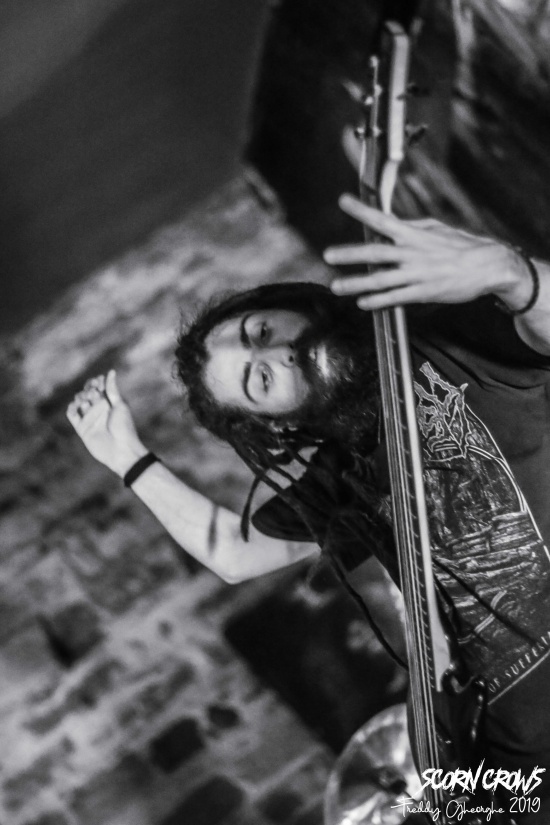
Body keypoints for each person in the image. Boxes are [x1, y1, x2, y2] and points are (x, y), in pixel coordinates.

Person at [68, 194, 550, 821]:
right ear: (278, 421)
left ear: (291, 306)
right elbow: (231, 551)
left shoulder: (436, 340)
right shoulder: (338, 483)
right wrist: (128, 458)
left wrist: (514, 276)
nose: (277, 356)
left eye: (261, 334)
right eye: (260, 380)